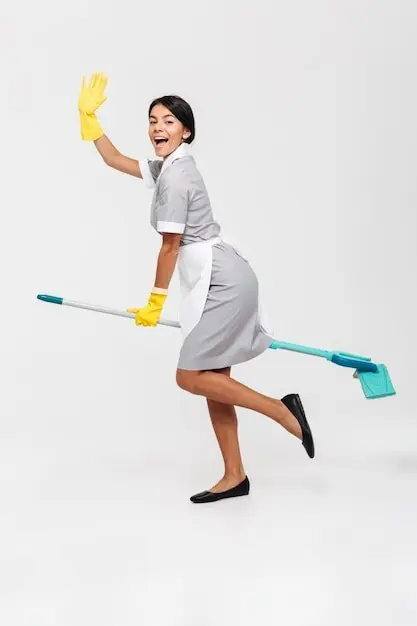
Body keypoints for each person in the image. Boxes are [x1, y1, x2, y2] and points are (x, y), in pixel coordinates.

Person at [78, 72, 315, 504]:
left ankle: (282, 411)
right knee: (212, 380)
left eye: (168, 121)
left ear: (186, 131)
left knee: (190, 377)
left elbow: (169, 246)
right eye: (153, 120)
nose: (157, 128)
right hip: (216, 276)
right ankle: (235, 475)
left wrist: (154, 302)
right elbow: (115, 160)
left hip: (223, 282)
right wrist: (89, 119)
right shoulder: (170, 166)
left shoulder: (176, 178)